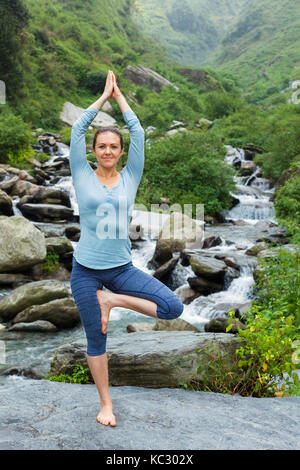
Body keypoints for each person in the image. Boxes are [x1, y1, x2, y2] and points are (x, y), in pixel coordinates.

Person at [70, 70, 184, 427]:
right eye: (101, 146)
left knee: (172, 307)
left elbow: (138, 133)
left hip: (120, 269)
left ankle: (112, 300)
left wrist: (120, 98)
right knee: (96, 338)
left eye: (113, 147)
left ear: (120, 152)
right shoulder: (81, 173)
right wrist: (101, 100)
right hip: (86, 270)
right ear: (94, 150)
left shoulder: (130, 175)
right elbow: (76, 129)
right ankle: (106, 404)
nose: (107, 150)